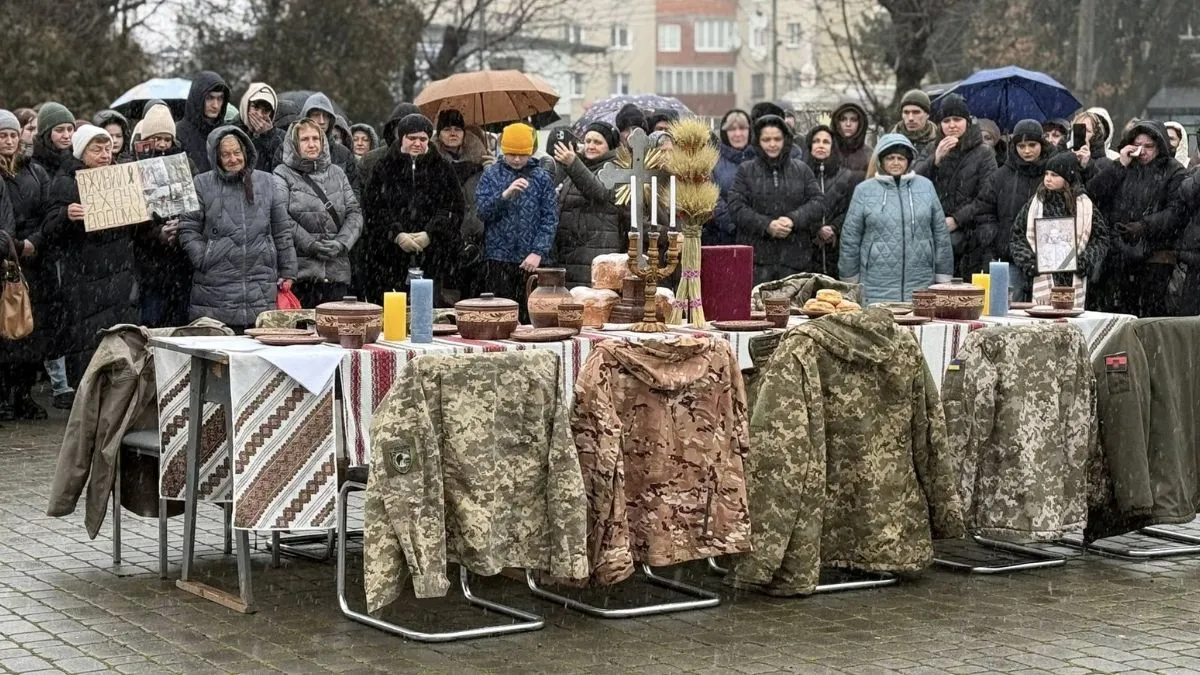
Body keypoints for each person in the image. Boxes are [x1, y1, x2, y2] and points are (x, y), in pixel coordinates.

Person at [42, 125, 138, 380]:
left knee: (119, 342)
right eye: (97, 149)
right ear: (82, 153)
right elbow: (49, 229)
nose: (105, 154)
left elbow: (137, 231)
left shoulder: (122, 178)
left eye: (108, 148)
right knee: (87, 342)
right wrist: (66, 215)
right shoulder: (65, 183)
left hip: (119, 276)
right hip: (84, 279)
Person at [178, 126, 296, 330]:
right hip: (214, 289)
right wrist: (204, 256)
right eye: (226, 154)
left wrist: (288, 271)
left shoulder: (268, 182)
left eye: (236, 152)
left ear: (245, 152)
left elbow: (282, 230)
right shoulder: (201, 184)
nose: (233, 159)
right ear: (216, 157)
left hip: (260, 285)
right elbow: (188, 228)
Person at [360, 114, 463, 306]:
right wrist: (397, 234)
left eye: (423, 139)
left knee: (428, 318)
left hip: (433, 259)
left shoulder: (443, 168)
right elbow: (374, 209)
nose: (417, 143)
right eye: (412, 138)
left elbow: (453, 209)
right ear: (401, 138)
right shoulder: (383, 168)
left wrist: (430, 233)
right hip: (388, 260)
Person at [1086, 120, 1186, 317]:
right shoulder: (1126, 166)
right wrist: (1120, 164)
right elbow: (1094, 193)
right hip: (1121, 256)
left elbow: (1176, 212)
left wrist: (1144, 226)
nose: (1142, 152)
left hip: (1156, 258)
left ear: (1159, 146)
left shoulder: (1174, 170)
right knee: (1123, 316)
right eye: (1138, 145)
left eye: (1149, 146)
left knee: (1151, 318)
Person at [840, 134, 953, 302]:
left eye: (900, 158)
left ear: (909, 161)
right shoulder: (864, 190)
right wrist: (849, 280)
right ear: (881, 161)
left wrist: (943, 278)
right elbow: (850, 238)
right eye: (890, 158)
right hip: (875, 284)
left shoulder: (926, 187)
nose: (895, 162)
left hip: (921, 282)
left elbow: (940, 235)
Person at [273, 118, 362, 307]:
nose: (312, 144)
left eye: (316, 138)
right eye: (305, 139)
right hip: (302, 277)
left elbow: (354, 212)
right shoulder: (282, 174)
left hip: (337, 274)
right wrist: (309, 243)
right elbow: (280, 217)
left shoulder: (337, 173)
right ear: (294, 143)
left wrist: (342, 243)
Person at [727, 114, 824, 285]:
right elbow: (736, 207)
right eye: (766, 139)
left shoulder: (801, 170)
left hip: (796, 261)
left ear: (785, 139)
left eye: (777, 139)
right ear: (758, 141)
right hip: (757, 262)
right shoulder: (746, 171)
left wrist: (793, 219)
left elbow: (818, 202)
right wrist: (766, 225)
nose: (772, 144)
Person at [476, 122, 558, 318]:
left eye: (523, 154)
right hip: (498, 259)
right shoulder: (491, 175)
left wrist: (538, 251)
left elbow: (550, 218)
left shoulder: (541, 177)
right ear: (504, 151)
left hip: (531, 260)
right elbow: (482, 212)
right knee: (501, 316)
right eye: (512, 154)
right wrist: (505, 195)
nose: (517, 159)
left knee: (531, 317)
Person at [0, 110, 50, 420]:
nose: (8, 140)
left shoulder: (35, 171)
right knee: (5, 332)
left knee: (29, 333)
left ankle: (23, 394)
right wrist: (15, 245)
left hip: (30, 261)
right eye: (2, 135)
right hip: (7, 254)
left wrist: (34, 241)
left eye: (12, 135)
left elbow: (46, 214)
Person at [1010, 152, 1110, 309]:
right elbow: (1017, 237)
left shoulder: (1084, 205)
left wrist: (1085, 261)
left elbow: (1100, 238)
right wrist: (1029, 263)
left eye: (1055, 175)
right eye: (1046, 174)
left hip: (1074, 277)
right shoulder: (1036, 203)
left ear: (1068, 178)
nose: (1048, 179)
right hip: (1039, 279)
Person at [914, 93, 997, 277]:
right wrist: (934, 161)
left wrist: (957, 219)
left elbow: (987, 196)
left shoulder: (984, 152)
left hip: (972, 234)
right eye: (946, 120)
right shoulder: (930, 148)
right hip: (935, 231)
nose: (951, 125)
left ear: (967, 122)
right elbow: (913, 183)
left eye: (957, 119)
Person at [128, 103, 195, 328]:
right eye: (156, 138)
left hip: (180, 263)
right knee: (152, 324)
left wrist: (181, 226)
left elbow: (196, 205)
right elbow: (132, 220)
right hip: (150, 267)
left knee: (179, 324)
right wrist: (156, 233)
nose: (162, 145)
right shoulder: (133, 167)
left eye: (166, 139)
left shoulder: (187, 164)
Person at [28, 102, 77, 407]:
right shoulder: (36, 167)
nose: (66, 135)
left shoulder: (73, 164)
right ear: (47, 133)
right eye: (59, 130)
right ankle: (59, 383)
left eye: (70, 129)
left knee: (67, 316)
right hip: (44, 252)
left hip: (69, 251)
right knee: (50, 319)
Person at [971, 119, 1051, 301]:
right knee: (1007, 309)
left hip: (1045, 258)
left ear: (1042, 144)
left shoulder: (1052, 174)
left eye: (1032, 145)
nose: (1027, 151)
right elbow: (984, 211)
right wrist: (997, 238)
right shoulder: (1000, 176)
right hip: (1007, 258)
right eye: (1021, 146)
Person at [550, 121, 624, 287]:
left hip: (596, 250)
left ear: (610, 146)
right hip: (572, 253)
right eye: (588, 141)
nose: (591, 146)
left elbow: (598, 192)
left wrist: (573, 164)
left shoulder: (616, 169)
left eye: (598, 142)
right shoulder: (581, 166)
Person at [434, 110, 493, 299]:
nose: (453, 133)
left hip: (476, 242)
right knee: (446, 300)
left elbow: (495, 199)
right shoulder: (433, 164)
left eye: (457, 129)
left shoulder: (482, 163)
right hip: (443, 242)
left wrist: (492, 172)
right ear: (439, 133)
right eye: (447, 129)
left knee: (474, 301)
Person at [804, 125, 855, 277]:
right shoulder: (798, 173)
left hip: (837, 249)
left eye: (826, 142)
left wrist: (834, 228)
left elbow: (851, 210)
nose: (821, 145)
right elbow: (796, 208)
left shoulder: (846, 176)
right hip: (807, 249)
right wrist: (817, 228)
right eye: (816, 141)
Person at [708, 109, 757, 246]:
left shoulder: (760, 159)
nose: (737, 134)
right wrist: (731, 224)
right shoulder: (714, 161)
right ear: (725, 133)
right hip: (723, 236)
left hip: (758, 235)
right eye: (732, 129)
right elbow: (713, 196)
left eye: (742, 128)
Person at [301, 93, 361, 195]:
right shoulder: (291, 150)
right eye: (316, 115)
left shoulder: (343, 154)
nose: (321, 121)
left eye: (326, 116)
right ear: (307, 117)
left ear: (331, 120)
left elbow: (354, 191)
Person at [175, 71, 231, 174]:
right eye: (210, 98)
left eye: (220, 98)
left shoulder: (227, 132)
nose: (215, 105)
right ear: (198, 98)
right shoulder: (179, 132)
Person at [358, 102, 421, 187]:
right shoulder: (370, 160)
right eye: (401, 129)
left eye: (412, 130)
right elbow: (359, 194)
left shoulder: (431, 162)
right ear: (393, 130)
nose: (406, 134)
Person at [234, 82, 286, 172]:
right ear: (246, 105)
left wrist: (268, 136)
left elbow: (280, 168)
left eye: (265, 111)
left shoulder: (281, 136)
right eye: (255, 107)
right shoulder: (231, 130)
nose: (259, 115)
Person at [892, 89, 939, 159]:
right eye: (906, 112)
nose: (910, 118)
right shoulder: (890, 142)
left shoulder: (939, 141)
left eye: (916, 112)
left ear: (927, 114)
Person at [1071, 110, 1115, 182]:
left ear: (1096, 135)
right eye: (1079, 129)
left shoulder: (1106, 164)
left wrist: (1087, 165)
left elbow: (1100, 189)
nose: (1082, 133)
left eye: (1087, 130)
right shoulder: (1066, 157)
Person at [830, 100, 872, 174]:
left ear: (860, 123)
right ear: (836, 122)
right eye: (843, 119)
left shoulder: (869, 154)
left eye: (853, 120)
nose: (848, 124)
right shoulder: (826, 150)